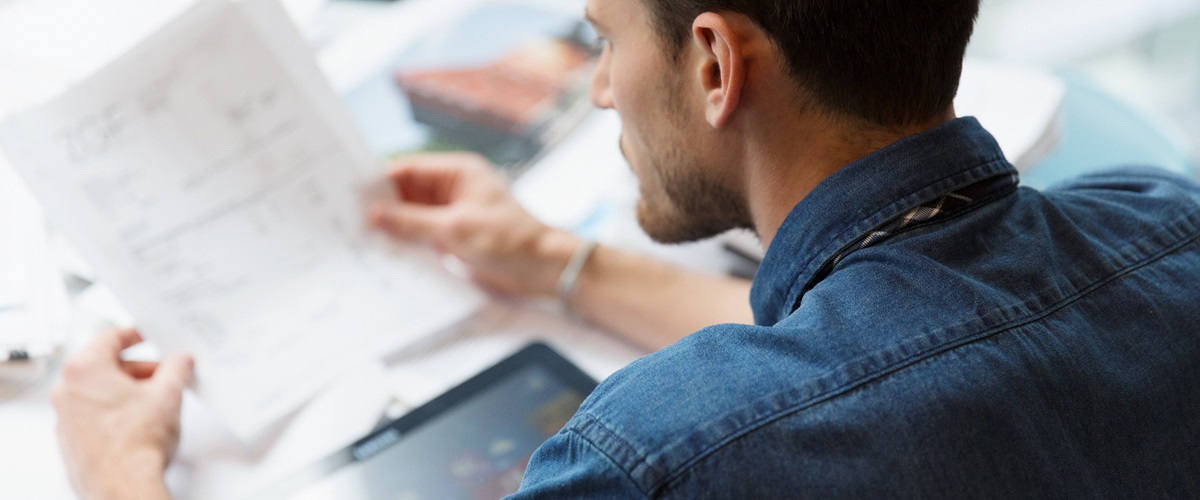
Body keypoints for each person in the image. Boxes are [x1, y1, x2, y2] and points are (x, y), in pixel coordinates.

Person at [52, 0, 1200, 497]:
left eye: (603, 40)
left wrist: (118, 476)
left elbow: (828, 393)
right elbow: (900, 348)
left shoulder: (654, 456)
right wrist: (563, 262)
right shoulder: (1166, 221)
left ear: (715, 64)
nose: (598, 87)